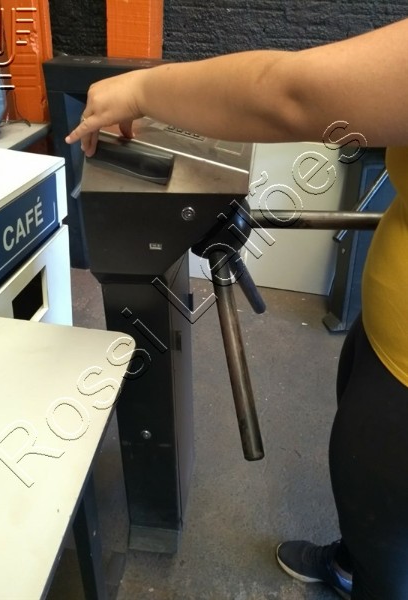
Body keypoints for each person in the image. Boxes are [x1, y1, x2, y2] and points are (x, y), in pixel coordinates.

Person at [66, 17, 408, 600]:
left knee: (388, 538)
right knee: (370, 503)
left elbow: (290, 94)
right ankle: (354, 561)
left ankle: (374, 571)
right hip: (385, 333)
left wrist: (141, 89)